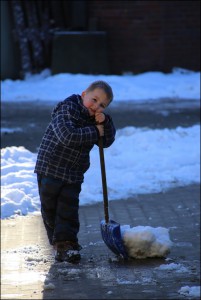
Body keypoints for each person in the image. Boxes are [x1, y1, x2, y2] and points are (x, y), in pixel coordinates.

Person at [34, 80, 116, 263]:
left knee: (68, 210)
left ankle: (67, 245)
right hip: (50, 167)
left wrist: (106, 123)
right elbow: (67, 135)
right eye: (94, 100)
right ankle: (57, 243)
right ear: (83, 94)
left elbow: (107, 141)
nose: (96, 106)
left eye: (102, 105)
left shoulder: (96, 120)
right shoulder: (67, 109)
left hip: (73, 173)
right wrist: (96, 131)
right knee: (50, 208)